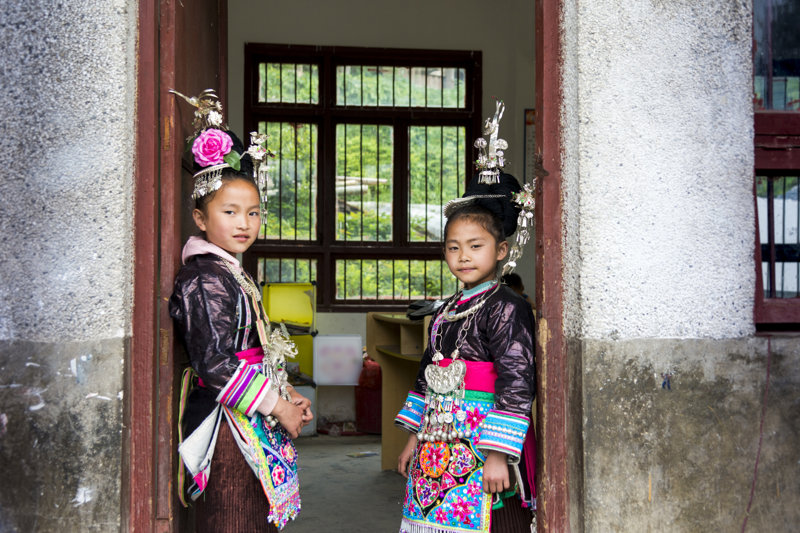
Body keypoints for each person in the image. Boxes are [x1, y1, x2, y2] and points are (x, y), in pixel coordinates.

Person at [169, 89, 312, 532]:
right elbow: (215, 363)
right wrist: (277, 406)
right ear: (200, 217)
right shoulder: (204, 277)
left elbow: (257, 347)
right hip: (228, 424)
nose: (243, 223)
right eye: (229, 211)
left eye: (252, 213)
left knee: (252, 513)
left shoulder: (227, 271)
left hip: (251, 412)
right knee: (235, 514)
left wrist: (285, 396)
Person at [395, 173, 538, 532]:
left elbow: (517, 380)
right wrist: (414, 437)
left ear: (500, 250)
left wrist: (497, 454)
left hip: (484, 442)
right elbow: (426, 373)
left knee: (496, 519)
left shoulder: (508, 306)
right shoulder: (446, 309)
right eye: (454, 247)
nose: (463, 257)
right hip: (438, 440)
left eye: (476, 246)